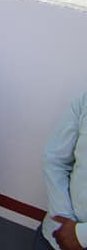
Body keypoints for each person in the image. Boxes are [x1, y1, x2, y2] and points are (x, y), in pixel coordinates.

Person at [34, 92, 87, 250]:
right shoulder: (84, 101)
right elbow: (55, 160)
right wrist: (64, 219)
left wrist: (81, 235)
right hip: (57, 235)